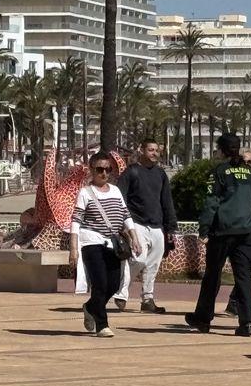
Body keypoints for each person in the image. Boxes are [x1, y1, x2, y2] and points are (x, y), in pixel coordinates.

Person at [186, 133, 251, 336]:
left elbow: (212, 201)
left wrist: (204, 228)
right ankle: (247, 322)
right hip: (247, 230)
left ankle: (202, 318)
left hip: (223, 231)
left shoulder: (219, 172)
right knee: (243, 276)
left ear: (222, 150)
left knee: (212, 275)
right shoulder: (250, 172)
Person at [70, 152, 142, 338]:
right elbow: (76, 220)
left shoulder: (116, 191)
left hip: (113, 243)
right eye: (99, 169)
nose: (104, 173)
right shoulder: (85, 193)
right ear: (91, 170)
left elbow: (125, 215)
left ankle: (90, 307)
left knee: (113, 284)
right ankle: (102, 324)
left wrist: (134, 237)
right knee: (100, 284)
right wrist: (73, 248)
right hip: (91, 242)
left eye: (107, 169)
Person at [114, 138, 177, 314]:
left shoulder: (161, 174)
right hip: (136, 224)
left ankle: (147, 299)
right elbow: (121, 200)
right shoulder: (131, 172)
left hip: (157, 226)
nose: (155, 153)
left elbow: (167, 201)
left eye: (157, 150)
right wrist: (123, 226)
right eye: (151, 150)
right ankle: (121, 293)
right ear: (141, 150)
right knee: (138, 259)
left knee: (153, 265)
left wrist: (171, 227)